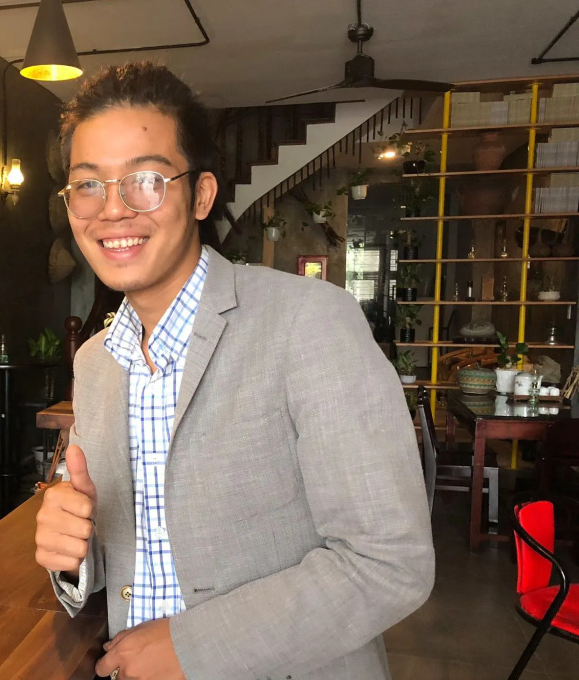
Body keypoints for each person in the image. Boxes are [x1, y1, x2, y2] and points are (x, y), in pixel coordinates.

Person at [34, 62, 434, 680]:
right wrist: (73, 555)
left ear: (200, 195)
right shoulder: (95, 363)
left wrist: (191, 648)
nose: (112, 209)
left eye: (146, 180)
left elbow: (389, 562)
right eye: (88, 185)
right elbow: (127, 553)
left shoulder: (309, 322)